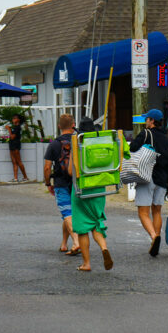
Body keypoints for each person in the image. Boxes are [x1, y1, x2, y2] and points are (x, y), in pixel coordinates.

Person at [131, 108, 168, 257]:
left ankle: (154, 236)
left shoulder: (146, 134)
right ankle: (155, 241)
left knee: (143, 213)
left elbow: (132, 148)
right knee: (156, 211)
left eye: (147, 119)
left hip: (147, 177)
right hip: (162, 181)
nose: (145, 121)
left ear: (151, 121)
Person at [70, 131, 113, 273]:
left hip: (82, 188)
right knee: (96, 222)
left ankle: (86, 263)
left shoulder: (77, 144)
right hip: (100, 187)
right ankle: (104, 248)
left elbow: (71, 171)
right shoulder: (105, 144)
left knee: (82, 228)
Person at [44, 113, 81, 257]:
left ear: (59, 126)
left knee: (67, 213)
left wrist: (48, 183)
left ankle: (77, 242)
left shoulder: (54, 144)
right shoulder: (78, 141)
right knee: (69, 214)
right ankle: (64, 244)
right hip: (77, 182)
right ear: (73, 125)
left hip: (60, 182)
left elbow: (47, 167)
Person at [6, 113, 29, 182]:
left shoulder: (17, 127)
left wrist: (9, 129)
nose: (13, 119)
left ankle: (25, 177)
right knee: (14, 162)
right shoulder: (15, 127)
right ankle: (15, 178)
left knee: (18, 161)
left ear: (18, 120)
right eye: (13, 118)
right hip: (12, 145)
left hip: (15, 145)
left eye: (15, 118)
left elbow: (12, 137)